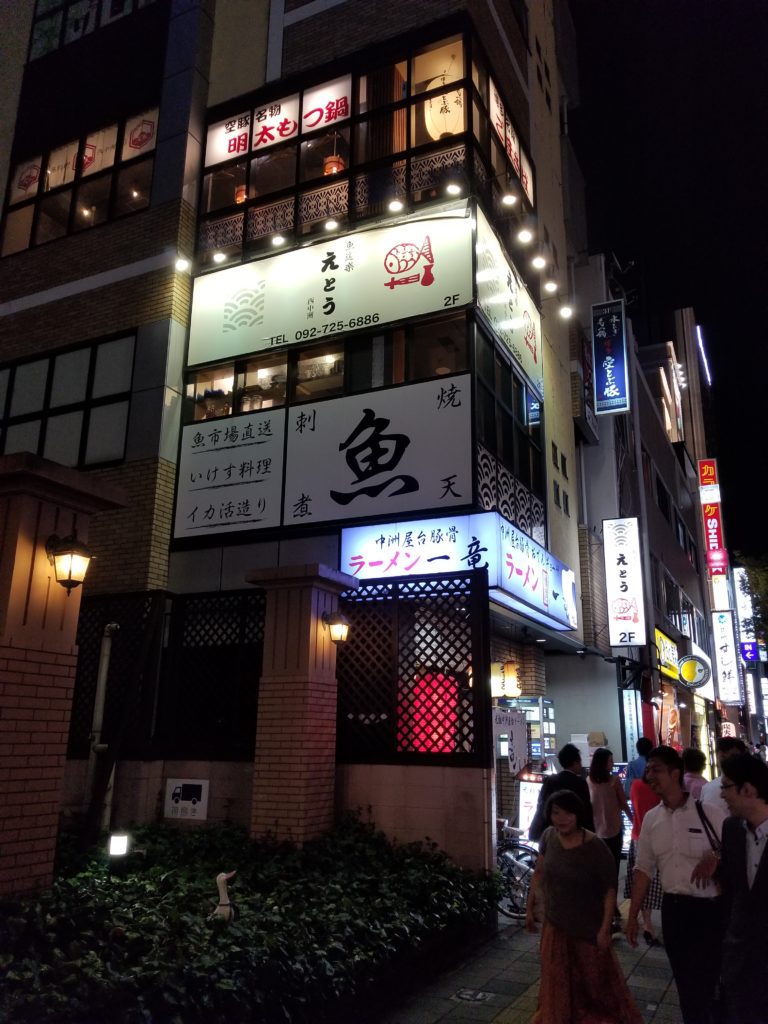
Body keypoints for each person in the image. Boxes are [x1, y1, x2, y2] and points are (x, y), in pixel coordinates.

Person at [626, 745, 727, 1024]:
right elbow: (643, 869)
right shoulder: (651, 819)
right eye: (648, 770)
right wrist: (632, 916)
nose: (649, 776)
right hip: (673, 910)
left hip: (709, 910)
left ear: (675, 773)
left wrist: (716, 856)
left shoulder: (708, 813)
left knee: (708, 980)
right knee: (684, 981)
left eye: (656, 770)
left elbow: (735, 851)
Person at [525, 790, 643, 1024]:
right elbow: (539, 873)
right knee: (557, 982)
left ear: (578, 815)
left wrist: (605, 929)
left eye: (568, 813)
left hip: (587, 928)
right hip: (555, 926)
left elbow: (609, 890)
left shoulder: (595, 847)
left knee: (595, 986)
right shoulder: (549, 837)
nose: (562, 819)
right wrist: (529, 909)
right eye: (556, 813)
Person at [716, 752, 768, 1024]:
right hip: (740, 961)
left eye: (726, 787)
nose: (721, 794)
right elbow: (732, 888)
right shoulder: (732, 829)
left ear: (748, 790)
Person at [588, 746, 633, 930]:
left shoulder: (589, 781)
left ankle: (604, 906)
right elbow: (623, 803)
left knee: (601, 872)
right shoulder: (614, 781)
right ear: (603, 763)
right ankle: (611, 906)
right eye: (610, 760)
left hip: (598, 833)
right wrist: (633, 820)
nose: (612, 763)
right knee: (612, 871)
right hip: (612, 832)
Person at [623, 769, 662, 945]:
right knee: (657, 884)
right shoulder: (659, 790)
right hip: (658, 839)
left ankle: (647, 924)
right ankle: (651, 925)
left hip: (638, 837)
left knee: (642, 881)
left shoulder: (635, 786)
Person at [528, 742, 595, 840]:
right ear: (575, 762)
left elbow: (541, 805)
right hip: (572, 834)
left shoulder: (550, 780)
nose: (581, 765)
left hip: (550, 832)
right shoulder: (580, 783)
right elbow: (586, 811)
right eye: (580, 761)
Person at [701, 736, 748, 806]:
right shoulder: (707, 788)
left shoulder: (753, 786)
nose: (727, 761)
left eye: (733, 756)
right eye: (723, 757)